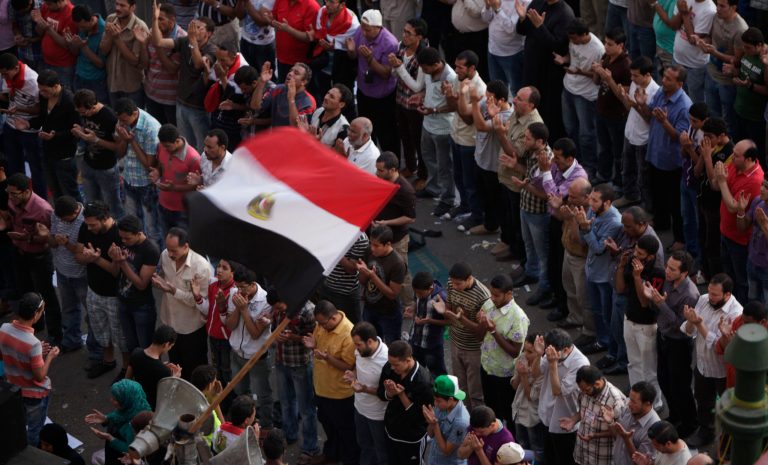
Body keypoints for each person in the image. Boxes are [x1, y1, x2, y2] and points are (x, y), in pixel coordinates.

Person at [392, 47, 456, 217]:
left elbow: (453, 106)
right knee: (428, 159)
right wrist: (420, 95)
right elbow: (426, 88)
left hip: (443, 128)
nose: (424, 72)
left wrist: (433, 110)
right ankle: (433, 188)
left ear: (436, 65)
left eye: (426, 68)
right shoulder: (428, 71)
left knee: (444, 167)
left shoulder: (450, 78)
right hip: (428, 125)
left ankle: (447, 199)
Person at [680, 273, 742, 447]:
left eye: (715, 294)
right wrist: (691, 322)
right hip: (702, 365)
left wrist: (699, 324)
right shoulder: (704, 299)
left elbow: (719, 346)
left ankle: (728, 441)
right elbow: (688, 330)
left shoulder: (736, 313)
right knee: (702, 400)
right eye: (709, 292)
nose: (710, 297)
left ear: (727, 294)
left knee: (727, 407)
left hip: (722, 370)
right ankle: (705, 431)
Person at [1, 173, 62, 345]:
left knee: (47, 296)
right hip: (20, 253)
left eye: (14, 194)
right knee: (26, 292)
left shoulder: (43, 209)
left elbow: (52, 239)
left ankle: (56, 336)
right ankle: (36, 326)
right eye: (9, 193)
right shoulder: (13, 201)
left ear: (27, 191)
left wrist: (27, 238)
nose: (11, 198)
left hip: (39, 257)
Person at [639, 65, 691, 249]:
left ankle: (679, 239)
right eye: (664, 77)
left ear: (680, 83)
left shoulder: (685, 106)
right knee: (658, 194)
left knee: (676, 203)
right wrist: (642, 104)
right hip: (655, 154)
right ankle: (661, 222)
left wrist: (664, 122)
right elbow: (649, 115)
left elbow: (680, 137)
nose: (663, 81)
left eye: (669, 79)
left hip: (672, 162)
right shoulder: (661, 92)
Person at [0, 292, 60, 447]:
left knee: (18, 421)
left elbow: (4, 354)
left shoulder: (4, 328)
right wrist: (49, 357)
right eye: (42, 311)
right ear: (35, 315)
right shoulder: (33, 344)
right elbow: (40, 376)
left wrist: (37, 352)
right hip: (34, 394)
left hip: (13, 388)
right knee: (35, 430)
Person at [150, 12, 217, 150]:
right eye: (194, 26)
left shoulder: (212, 50)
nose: (195, 30)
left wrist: (192, 41)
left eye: (200, 28)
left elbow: (199, 64)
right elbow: (159, 42)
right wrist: (155, 19)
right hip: (181, 102)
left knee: (201, 146)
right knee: (185, 144)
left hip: (198, 108)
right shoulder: (186, 41)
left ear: (209, 34)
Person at [303, 300, 358, 465]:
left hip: (340, 394)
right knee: (328, 424)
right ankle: (332, 454)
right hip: (321, 388)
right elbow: (317, 344)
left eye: (322, 323)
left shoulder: (348, 334)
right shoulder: (322, 324)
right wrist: (313, 346)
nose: (319, 326)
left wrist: (328, 358)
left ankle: (350, 459)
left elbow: (348, 366)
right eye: (318, 323)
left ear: (333, 318)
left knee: (346, 431)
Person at [152, 227, 212, 379]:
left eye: (174, 250)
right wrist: (158, 282)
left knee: (195, 369)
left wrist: (173, 291)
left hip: (191, 328)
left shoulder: (201, 267)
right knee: (176, 365)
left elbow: (201, 303)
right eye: (168, 249)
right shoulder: (165, 256)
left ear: (186, 246)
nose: (170, 254)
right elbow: (162, 277)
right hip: (170, 322)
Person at [652, 251, 700, 438]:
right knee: (664, 379)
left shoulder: (690, 294)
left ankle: (689, 422)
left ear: (684, 273)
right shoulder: (667, 281)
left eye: (672, 269)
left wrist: (661, 305)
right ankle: (675, 416)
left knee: (680, 385)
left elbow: (682, 326)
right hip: (663, 336)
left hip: (678, 344)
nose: (667, 271)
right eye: (667, 266)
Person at [494, 86, 544, 262]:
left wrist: (500, 135)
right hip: (506, 175)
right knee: (507, 215)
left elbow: (516, 154)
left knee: (517, 223)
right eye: (515, 97)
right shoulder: (517, 113)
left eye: (519, 99)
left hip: (517, 180)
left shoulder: (532, 125)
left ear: (530, 105)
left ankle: (518, 254)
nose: (514, 100)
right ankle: (509, 244)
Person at [712, 140, 764, 304]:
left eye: (736, 155)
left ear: (748, 159)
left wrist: (721, 181)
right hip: (725, 232)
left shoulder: (755, 181)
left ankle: (740, 313)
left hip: (739, 242)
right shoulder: (737, 165)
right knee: (729, 276)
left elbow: (733, 206)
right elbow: (715, 185)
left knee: (741, 283)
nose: (732, 157)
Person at [269, 290, 319, 460]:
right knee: (286, 402)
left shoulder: (307, 310)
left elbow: (313, 339)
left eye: (280, 307)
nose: (278, 311)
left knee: (306, 409)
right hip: (281, 360)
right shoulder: (277, 308)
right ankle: (289, 434)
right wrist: (277, 336)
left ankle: (310, 447)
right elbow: (274, 328)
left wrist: (293, 337)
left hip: (300, 363)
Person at [75, 200, 123, 379]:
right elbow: (78, 256)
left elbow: (115, 270)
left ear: (105, 219)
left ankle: (126, 369)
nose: (89, 229)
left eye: (93, 224)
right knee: (101, 330)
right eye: (87, 224)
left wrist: (95, 259)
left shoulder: (118, 234)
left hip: (114, 295)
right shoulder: (85, 227)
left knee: (121, 336)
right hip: (93, 291)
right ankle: (108, 361)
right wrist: (89, 258)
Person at [616, 235, 665, 408]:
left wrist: (637, 278)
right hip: (629, 319)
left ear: (650, 256)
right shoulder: (631, 262)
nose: (635, 254)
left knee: (649, 368)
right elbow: (620, 288)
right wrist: (621, 266)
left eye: (640, 253)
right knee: (634, 363)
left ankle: (655, 403)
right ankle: (636, 399)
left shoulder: (657, 273)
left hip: (647, 325)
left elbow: (645, 303)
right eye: (636, 249)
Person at [224, 266, 275, 429]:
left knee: (263, 394)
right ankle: (243, 423)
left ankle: (266, 426)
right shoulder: (235, 293)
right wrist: (238, 309)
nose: (238, 290)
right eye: (237, 286)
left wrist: (244, 309)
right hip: (237, 353)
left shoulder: (265, 301)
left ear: (253, 284)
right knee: (240, 391)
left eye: (242, 287)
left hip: (256, 356)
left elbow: (255, 333)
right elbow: (230, 325)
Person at [516, 0, 574, 140]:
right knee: (528, 108)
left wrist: (540, 27)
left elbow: (559, 47)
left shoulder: (565, 14)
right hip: (531, 68)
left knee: (547, 115)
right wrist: (523, 18)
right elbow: (522, 30)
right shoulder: (538, 3)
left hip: (549, 74)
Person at [346, 10, 399, 156]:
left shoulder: (390, 43)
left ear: (378, 28)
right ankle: (369, 160)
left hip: (383, 97)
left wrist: (370, 59)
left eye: (367, 29)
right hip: (364, 91)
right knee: (366, 134)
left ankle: (390, 167)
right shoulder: (360, 32)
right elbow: (354, 55)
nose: (363, 32)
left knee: (386, 134)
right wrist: (350, 51)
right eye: (362, 28)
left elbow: (385, 74)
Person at [577, 183, 622, 355]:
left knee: (606, 314)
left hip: (604, 277)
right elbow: (583, 240)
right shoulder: (592, 211)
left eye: (595, 201)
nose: (591, 203)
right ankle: (602, 340)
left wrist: (585, 228)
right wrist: (582, 226)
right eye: (590, 199)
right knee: (596, 310)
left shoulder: (614, 223)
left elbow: (597, 248)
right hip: (592, 272)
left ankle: (611, 347)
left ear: (608, 203)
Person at [479, 274, 529, 427]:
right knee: (491, 409)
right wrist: (480, 323)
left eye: (496, 295)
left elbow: (515, 351)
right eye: (491, 293)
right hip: (487, 367)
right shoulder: (488, 305)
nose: (492, 298)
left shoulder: (518, 317)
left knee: (507, 412)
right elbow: (479, 336)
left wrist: (494, 332)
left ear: (509, 294)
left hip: (504, 374)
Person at [438, 262, 490, 410]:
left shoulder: (483, 296)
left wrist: (461, 319)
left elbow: (481, 332)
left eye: (458, 284)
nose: (454, 286)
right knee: (460, 387)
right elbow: (449, 304)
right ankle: (464, 415)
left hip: (474, 349)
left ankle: (478, 421)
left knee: (475, 391)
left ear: (469, 279)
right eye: (452, 283)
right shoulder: (451, 283)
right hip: (455, 342)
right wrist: (445, 311)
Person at [555, 18, 603, 178]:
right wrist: (565, 60)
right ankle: (576, 162)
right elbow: (572, 55)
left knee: (586, 134)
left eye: (574, 38)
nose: (572, 41)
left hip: (586, 95)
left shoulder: (597, 49)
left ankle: (590, 167)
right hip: (568, 88)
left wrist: (579, 72)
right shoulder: (573, 41)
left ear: (584, 35)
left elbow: (598, 76)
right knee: (571, 128)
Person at [113, 98, 162, 246]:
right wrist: (123, 139)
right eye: (119, 120)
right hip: (129, 179)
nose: (121, 123)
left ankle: (155, 259)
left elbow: (149, 164)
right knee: (132, 223)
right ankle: (136, 251)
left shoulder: (150, 128)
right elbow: (120, 154)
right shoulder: (123, 121)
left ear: (134, 113)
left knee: (152, 227)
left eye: (124, 120)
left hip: (147, 184)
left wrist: (131, 141)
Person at [536, 329, 590, 465]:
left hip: (564, 420)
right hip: (546, 414)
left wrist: (553, 364)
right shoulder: (552, 351)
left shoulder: (580, 363)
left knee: (564, 459)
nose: (549, 355)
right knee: (549, 457)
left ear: (565, 349)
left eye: (553, 353)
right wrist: (538, 355)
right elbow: (537, 373)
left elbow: (558, 391)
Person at [110, 215, 161, 358]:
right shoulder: (123, 241)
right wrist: (114, 260)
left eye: (127, 238)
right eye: (122, 238)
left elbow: (141, 284)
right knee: (131, 346)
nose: (123, 241)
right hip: (123, 302)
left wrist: (122, 263)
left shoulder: (150, 250)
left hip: (142, 307)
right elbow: (115, 273)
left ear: (138, 233)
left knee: (146, 350)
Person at [41, 196, 86, 353]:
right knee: (68, 308)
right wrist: (48, 236)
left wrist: (66, 244)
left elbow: (82, 253)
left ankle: (98, 348)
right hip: (61, 270)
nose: (62, 222)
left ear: (75, 212)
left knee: (92, 313)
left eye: (66, 219)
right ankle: (71, 340)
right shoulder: (57, 214)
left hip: (81, 275)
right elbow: (52, 241)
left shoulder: (85, 222)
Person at [446, 50, 486, 229]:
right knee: (458, 176)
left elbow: (468, 118)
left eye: (460, 67)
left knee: (471, 182)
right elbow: (453, 107)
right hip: (456, 135)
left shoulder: (479, 88)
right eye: (455, 66)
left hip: (469, 141)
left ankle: (477, 215)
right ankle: (464, 206)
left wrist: (458, 97)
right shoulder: (458, 80)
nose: (456, 70)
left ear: (472, 68)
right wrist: (450, 97)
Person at [377, 340, 434, 465]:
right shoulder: (390, 366)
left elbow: (421, 417)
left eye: (396, 365)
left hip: (411, 437)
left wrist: (401, 395)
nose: (392, 367)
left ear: (408, 360)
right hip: (391, 430)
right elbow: (381, 393)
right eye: (391, 363)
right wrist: (389, 393)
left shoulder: (423, 383)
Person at [560, 365, 627, 465]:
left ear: (597, 383)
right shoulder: (585, 391)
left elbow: (620, 434)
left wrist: (595, 435)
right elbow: (584, 410)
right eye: (582, 390)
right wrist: (573, 420)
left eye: (586, 390)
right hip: (582, 453)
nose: (583, 393)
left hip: (601, 457)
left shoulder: (616, 401)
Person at [72, 88, 123, 217]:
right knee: (92, 204)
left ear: (93, 106)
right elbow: (88, 129)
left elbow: (118, 147)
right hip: (88, 163)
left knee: (112, 207)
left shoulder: (110, 117)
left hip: (106, 169)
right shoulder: (84, 112)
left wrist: (96, 140)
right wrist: (82, 131)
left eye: (84, 112)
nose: (82, 115)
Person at [0, 53, 44, 197]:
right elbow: (6, 96)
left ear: (15, 68)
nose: (4, 78)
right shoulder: (6, 74)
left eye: (6, 74)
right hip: (11, 124)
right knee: (13, 164)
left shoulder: (32, 80)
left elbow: (39, 109)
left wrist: (20, 109)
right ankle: (18, 196)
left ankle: (39, 200)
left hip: (29, 128)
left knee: (36, 167)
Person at [35, 69, 81, 200]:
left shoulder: (70, 102)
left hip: (64, 155)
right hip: (48, 151)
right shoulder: (44, 97)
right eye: (41, 90)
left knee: (70, 193)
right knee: (55, 191)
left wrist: (56, 136)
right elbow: (42, 118)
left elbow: (76, 131)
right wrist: (29, 124)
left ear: (56, 86)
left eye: (45, 90)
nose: (42, 93)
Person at [347, 322, 389, 465]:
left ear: (370, 341)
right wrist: (352, 375)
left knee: (381, 451)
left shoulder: (386, 361)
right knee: (364, 445)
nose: (356, 348)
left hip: (377, 415)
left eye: (358, 344)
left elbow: (387, 393)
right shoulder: (360, 351)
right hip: (359, 408)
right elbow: (356, 366)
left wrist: (364, 389)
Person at [357, 225, 406, 344]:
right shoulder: (369, 252)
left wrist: (373, 276)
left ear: (388, 244)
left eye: (376, 245)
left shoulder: (397, 264)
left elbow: (392, 294)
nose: (372, 248)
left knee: (392, 346)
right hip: (369, 307)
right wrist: (363, 272)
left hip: (389, 313)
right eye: (371, 243)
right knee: (370, 342)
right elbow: (363, 281)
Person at [84, 379, 151, 465]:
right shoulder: (133, 406)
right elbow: (119, 415)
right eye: (112, 397)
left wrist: (110, 438)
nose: (111, 400)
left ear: (126, 401)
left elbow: (131, 450)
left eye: (115, 399)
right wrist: (106, 418)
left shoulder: (134, 425)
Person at [149, 124, 201, 234]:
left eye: (168, 146)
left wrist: (174, 187)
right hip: (163, 204)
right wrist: (157, 172)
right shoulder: (161, 147)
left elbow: (196, 186)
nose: (165, 149)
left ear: (177, 141)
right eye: (163, 146)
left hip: (182, 211)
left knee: (181, 245)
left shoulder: (193, 158)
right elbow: (161, 165)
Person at [192, 258, 236, 385]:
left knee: (227, 370)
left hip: (226, 338)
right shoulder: (213, 284)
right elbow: (208, 309)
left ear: (233, 273)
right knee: (216, 368)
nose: (219, 270)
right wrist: (197, 296)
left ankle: (229, 399)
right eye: (219, 266)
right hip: (212, 335)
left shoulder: (234, 291)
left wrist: (222, 307)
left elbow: (230, 321)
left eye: (224, 268)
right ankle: (219, 396)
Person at [143, 2, 186, 125]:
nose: (156, 23)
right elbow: (145, 64)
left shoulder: (181, 38)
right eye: (155, 19)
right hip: (151, 95)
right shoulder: (153, 31)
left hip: (170, 100)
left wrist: (158, 45)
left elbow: (172, 69)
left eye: (160, 19)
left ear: (172, 19)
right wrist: (143, 44)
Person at [99, 0, 148, 107]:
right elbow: (103, 50)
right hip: (112, 82)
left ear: (132, 7)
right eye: (116, 4)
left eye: (122, 5)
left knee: (133, 119)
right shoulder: (110, 19)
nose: (118, 8)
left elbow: (135, 61)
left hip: (131, 86)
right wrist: (110, 36)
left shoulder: (140, 27)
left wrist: (117, 39)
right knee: (118, 119)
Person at [125, 324, 179, 409]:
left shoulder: (136, 353)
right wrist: (175, 378)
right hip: (152, 408)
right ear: (166, 344)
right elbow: (167, 396)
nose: (170, 349)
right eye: (171, 346)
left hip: (136, 401)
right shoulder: (164, 371)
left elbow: (127, 379)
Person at [405, 271, 448, 376]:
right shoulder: (419, 291)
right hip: (416, 341)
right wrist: (413, 308)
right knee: (416, 372)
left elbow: (449, 322)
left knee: (437, 374)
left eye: (419, 293)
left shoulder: (441, 298)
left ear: (430, 288)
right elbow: (418, 304)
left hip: (432, 346)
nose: (417, 295)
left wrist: (429, 321)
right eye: (416, 293)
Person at [250, 61, 316, 128]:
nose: (290, 73)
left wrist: (291, 99)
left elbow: (297, 127)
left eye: (296, 73)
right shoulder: (278, 89)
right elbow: (255, 106)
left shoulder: (308, 102)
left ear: (303, 82)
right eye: (290, 71)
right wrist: (262, 82)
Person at [511, 334, 545, 464]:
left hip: (533, 415)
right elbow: (514, 386)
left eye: (530, 352)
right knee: (521, 445)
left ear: (540, 352)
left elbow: (531, 397)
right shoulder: (522, 358)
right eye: (524, 350)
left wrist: (524, 376)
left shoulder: (543, 368)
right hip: (518, 410)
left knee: (537, 448)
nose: (525, 354)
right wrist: (520, 375)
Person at [608, 382, 661, 465]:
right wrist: (610, 422)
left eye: (633, 401)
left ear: (647, 403)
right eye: (630, 399)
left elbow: (640, 462)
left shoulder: (654, 429)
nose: (629, 404)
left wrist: (627, 439)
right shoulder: (630, 410)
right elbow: (617, 436)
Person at [424, 374, 470, 465]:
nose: (435, 404)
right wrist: (430, 422)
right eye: (434, 400)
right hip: (434, 459)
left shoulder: (461, 422)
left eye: (438, 401)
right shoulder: (441, 406)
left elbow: (446, 451)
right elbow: (430, 434)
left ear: (450, 399)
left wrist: (435, 425)